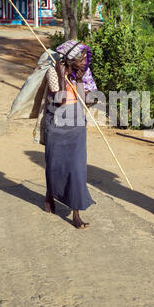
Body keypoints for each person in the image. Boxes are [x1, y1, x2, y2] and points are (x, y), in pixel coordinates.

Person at [44, 40, 97, 229]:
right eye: (80, 58)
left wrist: (81, 81)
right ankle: (50, 194)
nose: (85, 62)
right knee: (54, 164)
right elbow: (59, 99)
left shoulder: (84, 73)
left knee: (77, 168)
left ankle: (76, 212)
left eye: (85, 58)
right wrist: (61, 76)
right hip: (56, 122)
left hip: (76, 124)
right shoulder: (53, 71)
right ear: (69, 59)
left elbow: (87, 101)